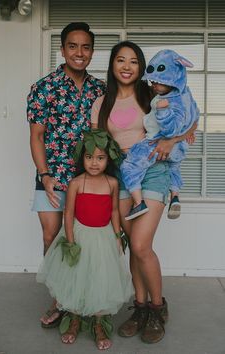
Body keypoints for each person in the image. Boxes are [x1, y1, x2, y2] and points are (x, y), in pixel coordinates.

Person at [91, 41, 196, 344]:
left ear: (142, 68)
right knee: (132, 247)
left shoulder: (152, 93)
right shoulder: (102, 103)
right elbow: (97, 143)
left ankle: (157, 308)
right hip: (122, 175)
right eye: (120, 60)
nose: (126, 66)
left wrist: (171, 142)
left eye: (134, 61)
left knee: (140, 244)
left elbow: (191, 123)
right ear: (112, 65)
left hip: (153, 169)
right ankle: (139, 307)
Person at [27, 22, 105, 327]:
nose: (79, 52)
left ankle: (83, 295)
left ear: (92, 52)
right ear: (62, 50)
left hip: (89, 178)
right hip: (51, 176)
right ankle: (59, 297)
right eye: (73, 46)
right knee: (51, 236)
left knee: (85, 239)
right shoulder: (43, 87)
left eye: (85, 47)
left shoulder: (100, 89)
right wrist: (44, 175)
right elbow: (36, 136)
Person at [36, 129, 133, 350]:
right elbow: (68, 213)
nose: (94, 163)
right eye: (89, 157)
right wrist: (70, 240)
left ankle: (99, 324)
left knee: (100, 278)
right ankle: (75, 320)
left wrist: (118, 236)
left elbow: (115, 211)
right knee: (76, 278)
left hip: (103, 237)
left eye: (100, 158)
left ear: (108, 159)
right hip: (80, 235)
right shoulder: (77, 183)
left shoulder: (112, 183)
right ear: (82, 158)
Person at [120, 49, 200, 221]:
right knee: (174, 169)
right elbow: (195, 114)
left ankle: (138, 202)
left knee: (129, 166)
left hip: (155, 145)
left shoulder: (167, 100)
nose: (154, 86)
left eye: (158, 82)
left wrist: (163, 113)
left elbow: (170, 129)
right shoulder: (184, 94)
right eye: (152, 82)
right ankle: (175, 196)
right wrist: (187, 133)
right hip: (178, 149)